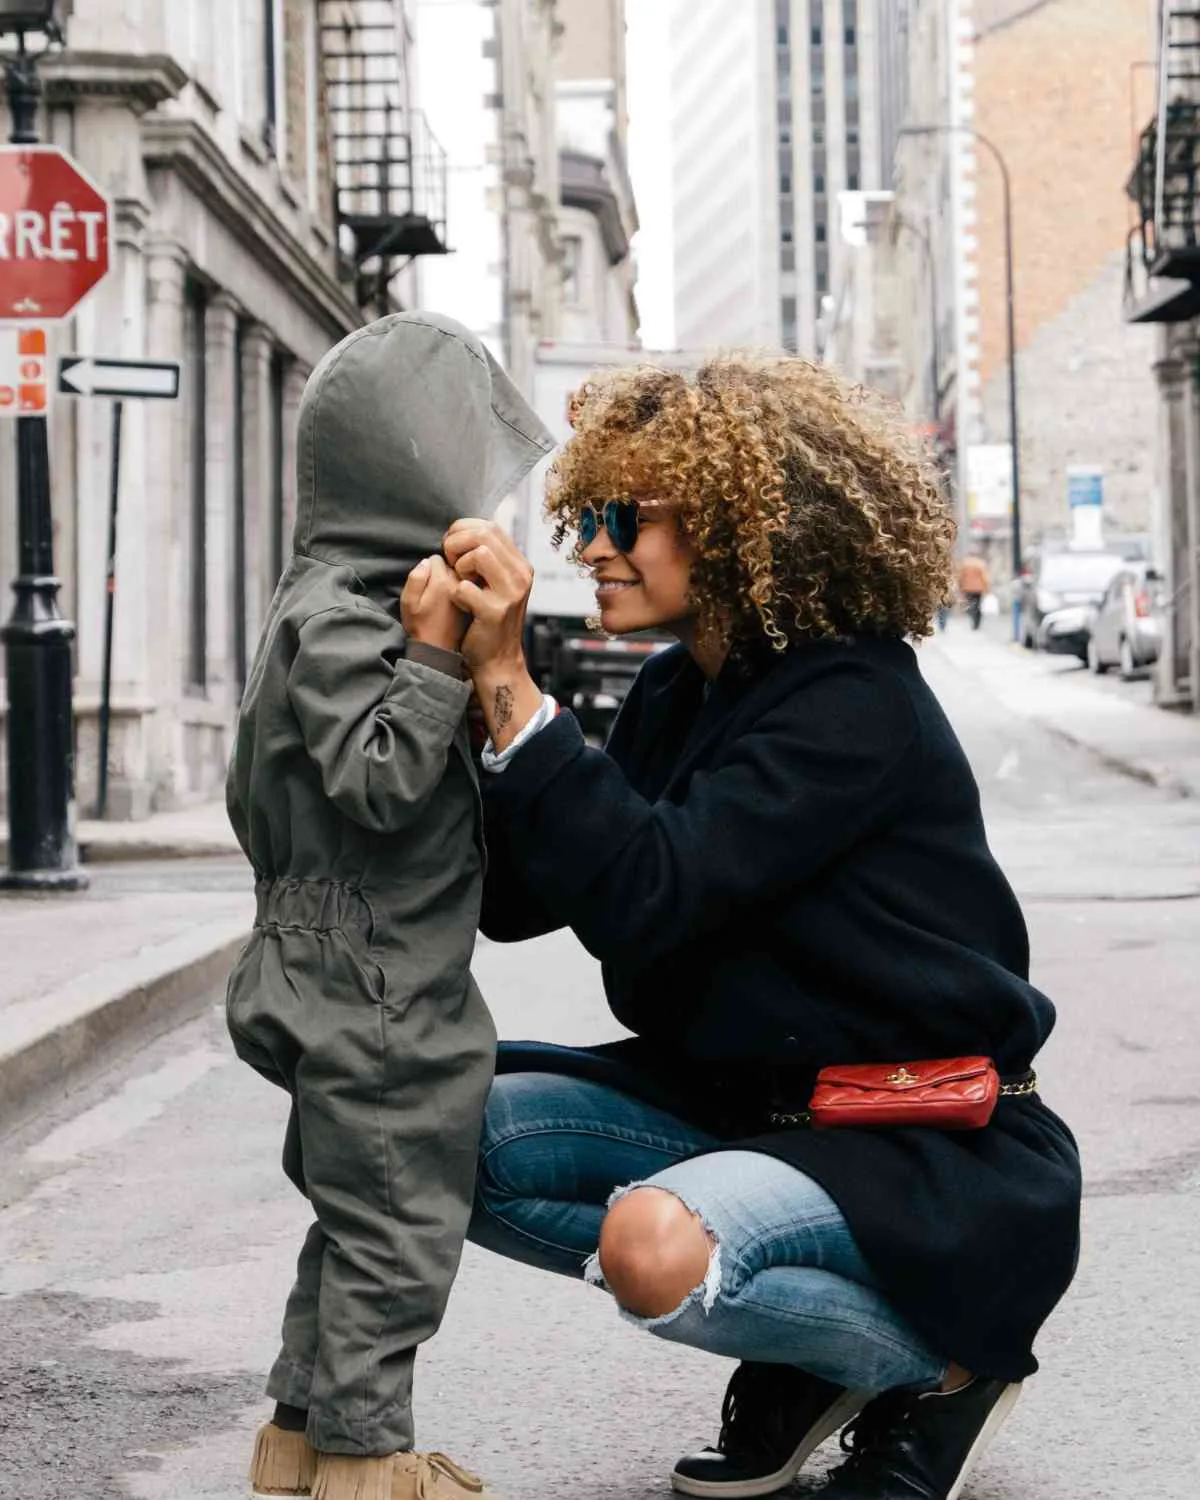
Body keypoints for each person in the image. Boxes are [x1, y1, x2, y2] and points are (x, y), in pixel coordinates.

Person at [442, 356, 1081, 1500]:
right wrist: (459, 688)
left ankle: (938, 1370)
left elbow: (650, 887)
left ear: (742, 521)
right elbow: (523, 896)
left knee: (652, 1249)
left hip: (920, 1143)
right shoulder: (676, 693)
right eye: (583, 514)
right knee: (436, 1135)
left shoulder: (852, 702)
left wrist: (515, 685)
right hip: (744, 1111)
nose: (589, 546)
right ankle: (807, 1356)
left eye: (620, 517)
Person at [224, 312, 552, 1500]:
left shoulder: (321, 596)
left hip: (331, 964)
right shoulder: (359, 613)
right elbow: (377, 778)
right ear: (407, 468)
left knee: (350, 1218)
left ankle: (302, 1441)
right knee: (397, 1235)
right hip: (376, 987)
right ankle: (369, 1463)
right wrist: (431, 661)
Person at [957, 551, 990, 630]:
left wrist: (960, 587)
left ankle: (973, 616)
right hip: (979, 588)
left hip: (967, 588)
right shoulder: (980, 563)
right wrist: (987, 588)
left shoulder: (964, 564)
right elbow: (985, 577)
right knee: (978, 605)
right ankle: (977, 622)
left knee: (970, 604)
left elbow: (960, 576)